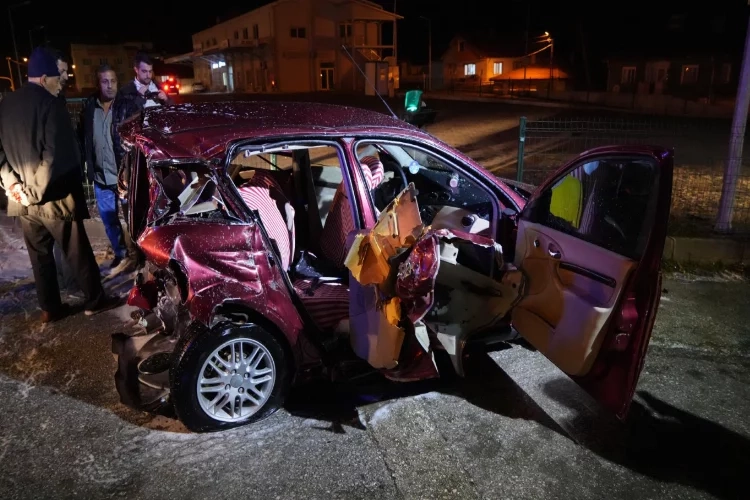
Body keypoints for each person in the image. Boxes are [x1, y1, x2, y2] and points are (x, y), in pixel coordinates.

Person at [0, 47, 117, 323]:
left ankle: (49, 308)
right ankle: (94, 300)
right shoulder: (52, 105)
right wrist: (35, 192)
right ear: (43, 78)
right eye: (56, 78)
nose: (60, 83)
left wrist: (12, 185)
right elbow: (54, 156)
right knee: (77, 251)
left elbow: (1, 153)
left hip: (22, 200)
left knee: (39, 256)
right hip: (53, 197)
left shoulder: (5, 105)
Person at [80, 65, 137, 274]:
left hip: (124, 178)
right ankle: (121, 255)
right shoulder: (89, 107)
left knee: (132, 220)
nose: (110, 85)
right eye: (105, 81)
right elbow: (83, 139)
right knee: (109, 221)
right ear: (98, 83)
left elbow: (137, 139)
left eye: (113, 80)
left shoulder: (127, 107)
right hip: (101, 178)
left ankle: (136, 256)